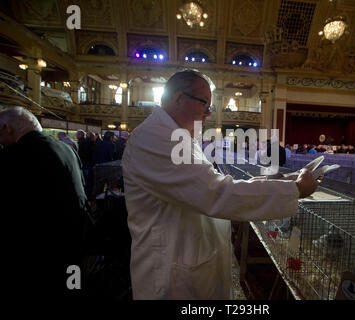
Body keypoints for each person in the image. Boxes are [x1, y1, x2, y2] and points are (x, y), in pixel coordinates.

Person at [122, 70, 318, 300]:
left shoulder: (179, 136)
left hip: (190, 258)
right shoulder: (155, 137)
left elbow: (209, 183)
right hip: (170, 273)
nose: (208, 112)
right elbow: (216, 193)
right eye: (204, 103)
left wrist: (272, 182)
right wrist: (294, 190)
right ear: (178, 98)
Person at [0, 107, 89, 298]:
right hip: (75, 243)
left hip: (41, 253)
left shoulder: (15, 155)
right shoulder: (67, 149)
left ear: (7, 128)